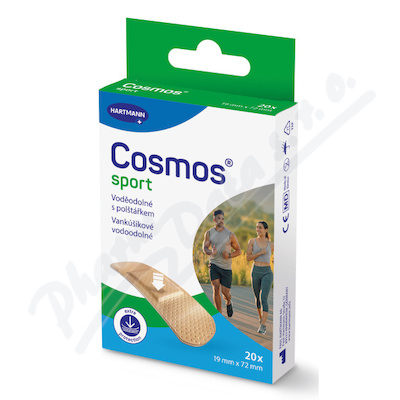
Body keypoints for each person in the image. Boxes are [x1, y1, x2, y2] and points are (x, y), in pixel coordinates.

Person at [202, 209, 241, 317]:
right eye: (219, 218)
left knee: (225, 292)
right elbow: (205, 248)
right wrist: (211, 252)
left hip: (226, 267)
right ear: (214, 219)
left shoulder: (230, 234)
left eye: (223, 218)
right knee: (216, 288)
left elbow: (238, 251)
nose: (221, 220)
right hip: (214, 264)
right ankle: (219, 316)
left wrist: (229, 255)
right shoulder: (209, 233)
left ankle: (228, 301)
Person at [246, 221, 274, 334]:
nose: (258, 229)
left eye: (260, 227)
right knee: (257, 298)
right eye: (257, 227)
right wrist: (259, 253)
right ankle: (260, 318)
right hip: (255, 271)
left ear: (266, 229)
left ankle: (263, 325)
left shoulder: (271, 244)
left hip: (267, 272)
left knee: (264, 298)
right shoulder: (252, 241)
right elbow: (248, 257)